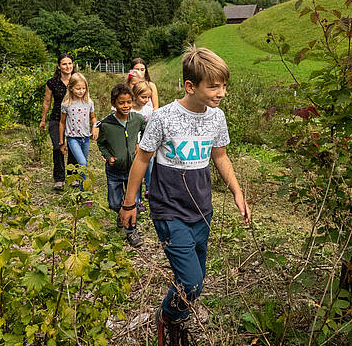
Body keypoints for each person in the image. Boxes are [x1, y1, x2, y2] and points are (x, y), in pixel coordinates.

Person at [119, 46, 251, 345]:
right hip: (169, 209)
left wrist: (237, 192)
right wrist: (130, 204)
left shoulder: (217, 118)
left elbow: (220, 156)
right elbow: (141, 159)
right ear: (190, 86)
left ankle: (178, 317)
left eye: (224, 86)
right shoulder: (163, 118)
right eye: (214, 86)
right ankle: (167, 318)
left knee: (196, 281)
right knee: (191, 281)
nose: (221, 93)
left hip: (202, 209)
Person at [96, 84, 147, 248]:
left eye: (128, 102)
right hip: (114, 171)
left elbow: (147, 131)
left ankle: (131, 232)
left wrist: (141, 144)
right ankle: (120, 214)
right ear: (114, 103)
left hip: (134, 169)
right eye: (121, 103)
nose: (125, 106)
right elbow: (101, 143)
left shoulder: (137, 119)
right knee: (114, 202)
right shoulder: (106, 124)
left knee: (134, 202)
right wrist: (108, 156)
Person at [40, 54, 78, 191]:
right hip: (56, 118)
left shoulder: (77, 80)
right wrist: (43, 119)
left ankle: (73, 176)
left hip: (74, 118)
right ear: (59, 66)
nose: (67, 66)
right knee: (58, 147)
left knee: (73, 147)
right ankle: (59, 178)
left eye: (69, 63)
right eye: (64, 64)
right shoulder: (52, 82)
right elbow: (47, 101)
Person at [59, 72, 98, 195]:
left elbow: (93, 118)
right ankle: (84, 191)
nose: (81, 91)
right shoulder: (66, 104)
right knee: (82, 163)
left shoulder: (88, 103)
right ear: (71, 88)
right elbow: (62, 123)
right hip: (72, 138)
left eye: (83, 88)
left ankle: (81, 193)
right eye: (78, 88)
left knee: (83, 166)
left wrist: (95, 126)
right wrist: (62, 142)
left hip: (85, 138)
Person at [131, 80, 155, 209]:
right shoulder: (129, 111)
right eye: (143, 97)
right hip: (133, 146)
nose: (146, 100)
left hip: (145, 145)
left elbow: (150, 129)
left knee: (150, 165)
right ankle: (136, 200)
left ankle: (150, 189)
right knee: (136, 172)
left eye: (148, 97)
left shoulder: (148, 110)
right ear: (135, 95)